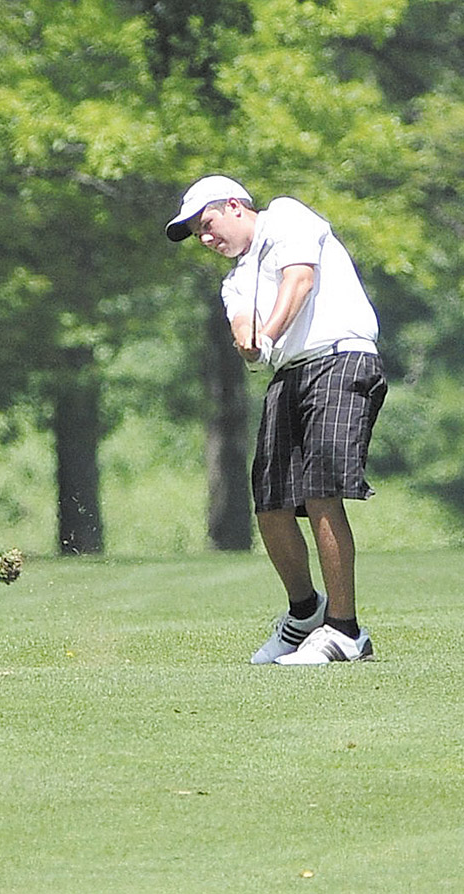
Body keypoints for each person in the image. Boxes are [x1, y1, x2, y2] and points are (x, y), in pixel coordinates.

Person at [165, 175, 387, 665]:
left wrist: (265, 335)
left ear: (234, 205)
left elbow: (300, 280)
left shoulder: (286, 215)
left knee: (320, 490)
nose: (206, 238)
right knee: (270, 501)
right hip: (290, 373)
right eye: (199, 234)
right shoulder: (235, 278)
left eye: (208, 224)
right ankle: (305, 614)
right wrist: (250, 341)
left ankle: (345, 631)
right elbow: (243, 324)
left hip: (341, 358)